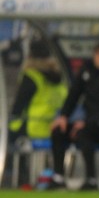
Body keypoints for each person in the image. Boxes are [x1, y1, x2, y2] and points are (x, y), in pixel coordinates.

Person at [47, 42, 99, 191]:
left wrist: (87, 122)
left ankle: (91, 179)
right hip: (88, 122)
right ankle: (58, 177)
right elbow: (74, 95)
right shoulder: (87, 71)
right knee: (58, 131)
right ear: (94, 55)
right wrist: (64, 116)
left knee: (84, 134)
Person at [5, 40, 67, 187]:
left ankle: (18, 179)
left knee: (9, 139)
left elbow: (19, 105)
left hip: (33, 125)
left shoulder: (31, 76)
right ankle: (46, 177)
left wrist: (11, 126)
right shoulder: (59, 77)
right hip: (54, 127)